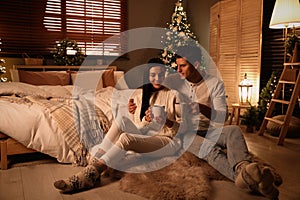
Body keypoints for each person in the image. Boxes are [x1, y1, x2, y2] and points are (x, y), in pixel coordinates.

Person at [163, 45, 280, 200]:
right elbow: (151, 84)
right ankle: (253, 181)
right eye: (177, 66)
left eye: (182, 66)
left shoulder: (214, 84)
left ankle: (243, 169)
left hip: (209, 129)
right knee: (210, 150)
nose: (178, 70)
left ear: (196, 64)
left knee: (234, 130)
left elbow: (222, 117)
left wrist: (201, 108)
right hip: (185, 133)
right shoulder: (175, 81)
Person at [53, 57, 184, 193]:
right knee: (121, 119)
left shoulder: (174, 95)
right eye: (153, 75)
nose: (157, 78)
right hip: (149, 137)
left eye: (161, 74)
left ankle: (91, 173)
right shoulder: (141, 95)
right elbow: (140, 126)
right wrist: (144, 118)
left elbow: (181, 130)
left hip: (169, 141)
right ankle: (94, 167)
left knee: (126, 138)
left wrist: (167, 121)